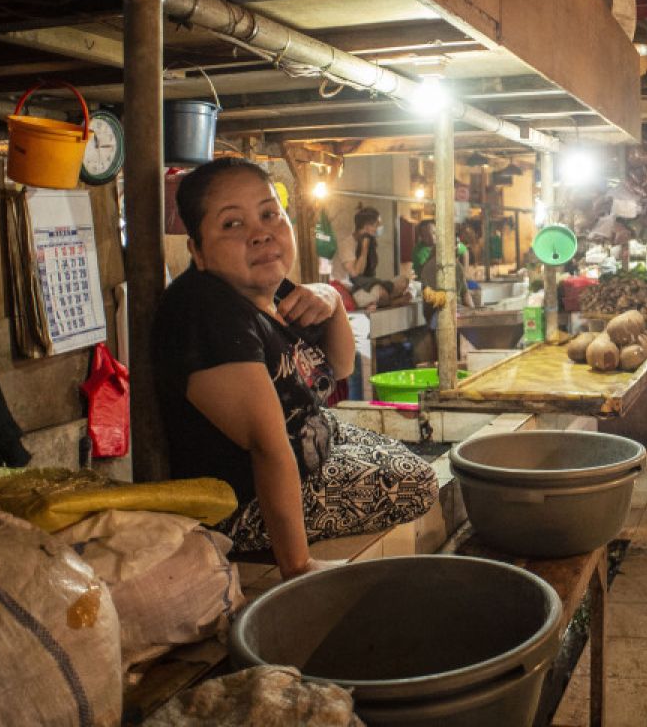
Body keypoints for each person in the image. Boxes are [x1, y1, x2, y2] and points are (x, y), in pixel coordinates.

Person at [151, 158, 438, 579]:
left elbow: (337, 368)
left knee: (402, 457)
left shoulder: (270, 288)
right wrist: (298, 566)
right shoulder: (207, 312)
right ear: (197, 250)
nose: (260, 233)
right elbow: (267, 445)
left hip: (308, 441)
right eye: (232, 224)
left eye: (269, 214)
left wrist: (334, 301)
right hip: (245, 503)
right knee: (417, 482)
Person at [345, 206, 410, 310]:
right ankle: (394, 301)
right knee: (381, 292)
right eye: (377, 224)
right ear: (366, 226)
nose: (380, 227)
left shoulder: (371, 241)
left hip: (372, 285)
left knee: (403, 280)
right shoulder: (350, 243)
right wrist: (364, 248)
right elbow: (357, 274)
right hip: (358, 290)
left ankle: (385, 300)